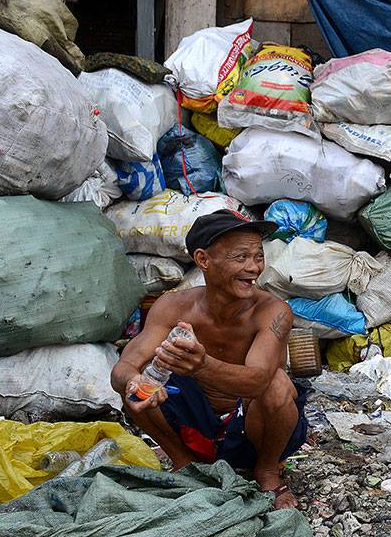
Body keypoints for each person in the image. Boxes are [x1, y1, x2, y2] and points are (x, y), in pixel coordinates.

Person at [111, 210, 307, 509]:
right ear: (203, 260)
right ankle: (184, 463)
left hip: (252, 433)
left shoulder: (273, 311)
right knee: (138, 388)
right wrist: (134, 381)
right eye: (241, 257)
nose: (254, 267)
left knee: (277, 385)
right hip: (196, 428)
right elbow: (122, 369)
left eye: (258, 256)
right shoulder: (172, 306)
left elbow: (258, 381)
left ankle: (267, 471)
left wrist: (203, 366)